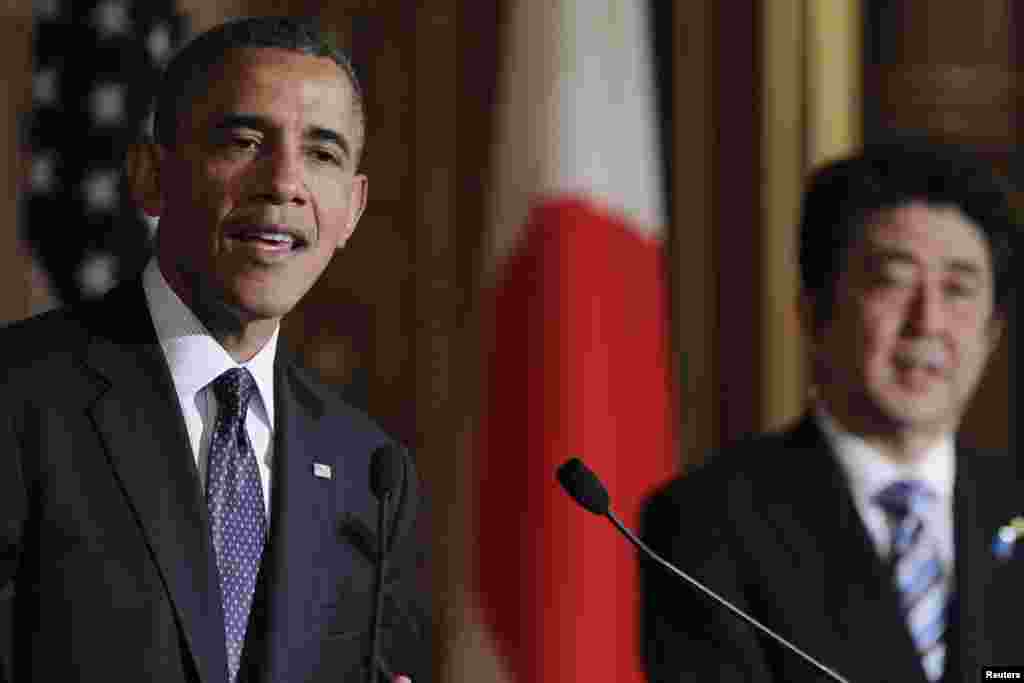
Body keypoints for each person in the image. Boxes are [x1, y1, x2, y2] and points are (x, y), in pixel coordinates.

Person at [0, 16, 431, 683]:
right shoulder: (20, 397)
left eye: (322, 153)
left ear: (351, 207)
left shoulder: (370, 474)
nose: (284, 182)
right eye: (244, 139)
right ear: (149, 175)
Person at [641, 138, 1022, 683]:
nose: (928, 321)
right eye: (893, 281)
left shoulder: (1014, 507)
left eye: (959, 289)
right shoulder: (709, 524)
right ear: (815, 311)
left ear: (992, 332)